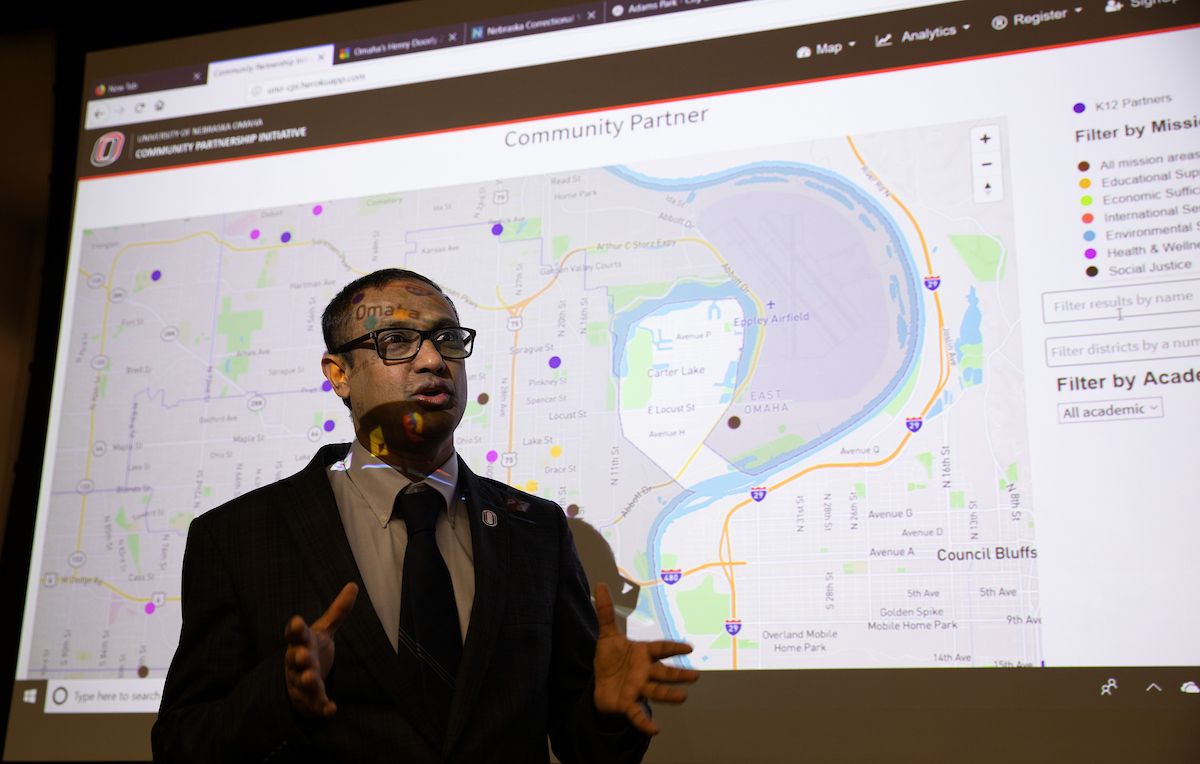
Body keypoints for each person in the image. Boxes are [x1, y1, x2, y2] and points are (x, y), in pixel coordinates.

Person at [151, 268, 698, 762]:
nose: (435, 360)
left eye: (447, 340)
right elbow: (181, 744)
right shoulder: (236, 536)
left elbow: (581, 742)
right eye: (396, 342)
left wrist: (603, 713)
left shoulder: (535, 529)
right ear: (338, 373)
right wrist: (279, 694)